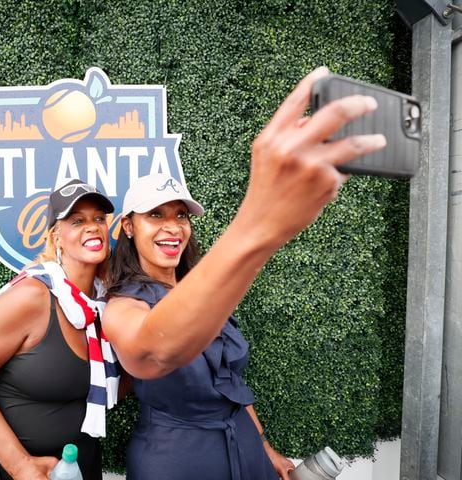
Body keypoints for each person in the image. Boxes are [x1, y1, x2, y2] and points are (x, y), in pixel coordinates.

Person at [101, 67, 386, 480]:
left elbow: (230, 383)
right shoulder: (123, 303)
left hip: (244, 451)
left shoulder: (202, 288)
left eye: (181, 215)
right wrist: (259, 225)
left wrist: (264, 446)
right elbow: (154, 350)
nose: (172, 226)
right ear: (128, 226)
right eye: (154, 215)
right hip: (176, 462)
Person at [0, 179, 120, 480]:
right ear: (57, 236)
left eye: (98, 219)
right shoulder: (30, 297)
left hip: (78, 468)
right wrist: (22, 467)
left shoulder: (105, 304)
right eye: (77, 220)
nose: (93, 227)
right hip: (9, 472)